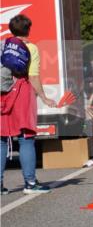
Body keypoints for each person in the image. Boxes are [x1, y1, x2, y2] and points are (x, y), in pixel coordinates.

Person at [1, 14, 58, 194]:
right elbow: (32, 76)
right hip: (21, 93)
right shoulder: (30, 48)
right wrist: (44, 96)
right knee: (26, 138)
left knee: (1, 140)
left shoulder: (2, 45)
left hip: (2, 94)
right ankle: (30, 183)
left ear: (11, 29)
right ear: (28, 29)